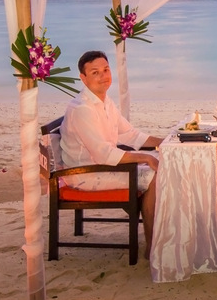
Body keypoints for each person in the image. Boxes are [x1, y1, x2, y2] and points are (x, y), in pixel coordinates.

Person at [59, 51, 162, 248]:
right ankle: (152, 246)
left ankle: (159, 229)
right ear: (83, 78)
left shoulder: (106, 102)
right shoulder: (83, 109)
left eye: (106, 70)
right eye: (95, 72)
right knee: (154, 177)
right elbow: (103, 153)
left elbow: (130, 134)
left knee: (161, 163)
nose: (103, 76)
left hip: (102, 166)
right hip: (85, 174)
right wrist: (146, 158)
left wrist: (166, 142)